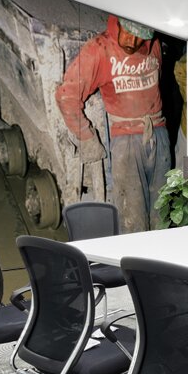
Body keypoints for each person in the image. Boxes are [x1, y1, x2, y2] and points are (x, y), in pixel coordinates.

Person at [55, 15, 170, 233]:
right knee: (131, 217)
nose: (133, 42)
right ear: (118, 22)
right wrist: (86, 137)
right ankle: (133, 263)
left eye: (140, 37)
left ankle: (159, 262)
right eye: (129, 33)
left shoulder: (153, 45)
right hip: (126, 141)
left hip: (159, 134)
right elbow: (66, 95)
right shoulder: (99, 49)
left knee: (162, 213)